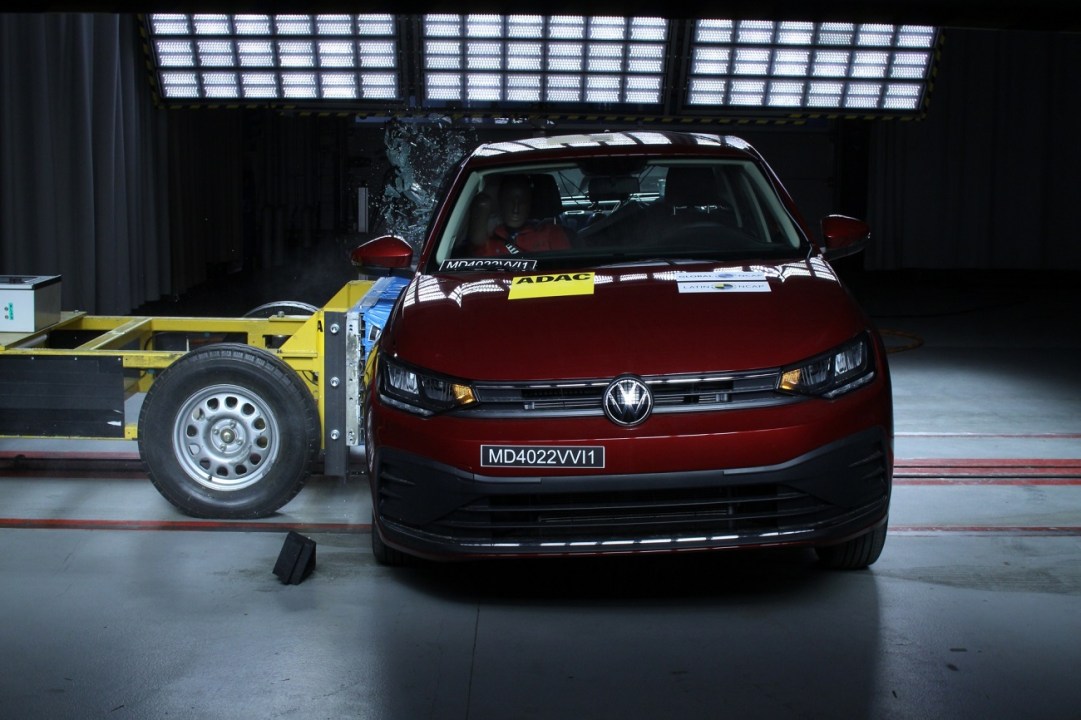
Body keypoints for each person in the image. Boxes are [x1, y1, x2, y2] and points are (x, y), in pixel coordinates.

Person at [468, 174, 571, 257]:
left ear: (530, 204)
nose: (515, 209)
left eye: (523, 202)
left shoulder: (552, 234)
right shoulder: (489, 239)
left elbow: (566, 268)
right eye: (509, 201)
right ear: (501, 202)